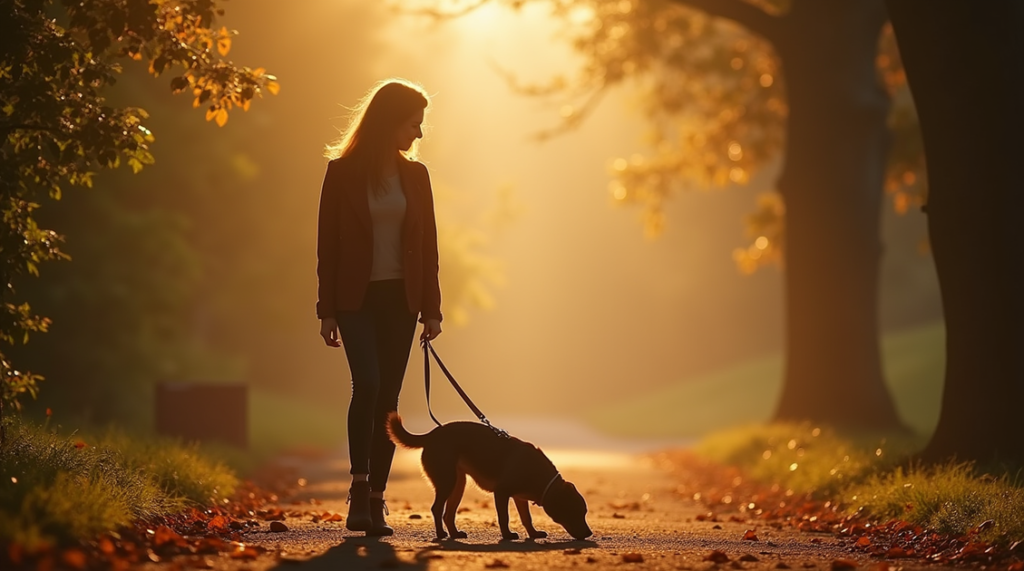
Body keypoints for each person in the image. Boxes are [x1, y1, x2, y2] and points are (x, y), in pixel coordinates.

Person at [316, 79, 442, 536]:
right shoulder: (341, 173)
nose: (419, 134)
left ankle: (375, 500)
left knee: (388, 399)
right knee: (366, 383)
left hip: (400, 300)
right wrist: (325, 309)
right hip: (355, 300)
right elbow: (326, 247)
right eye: (414, 124)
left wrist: (433, 310)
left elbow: (428, 247)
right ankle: (358, 484)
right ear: (389, 122)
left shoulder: (416, 176)